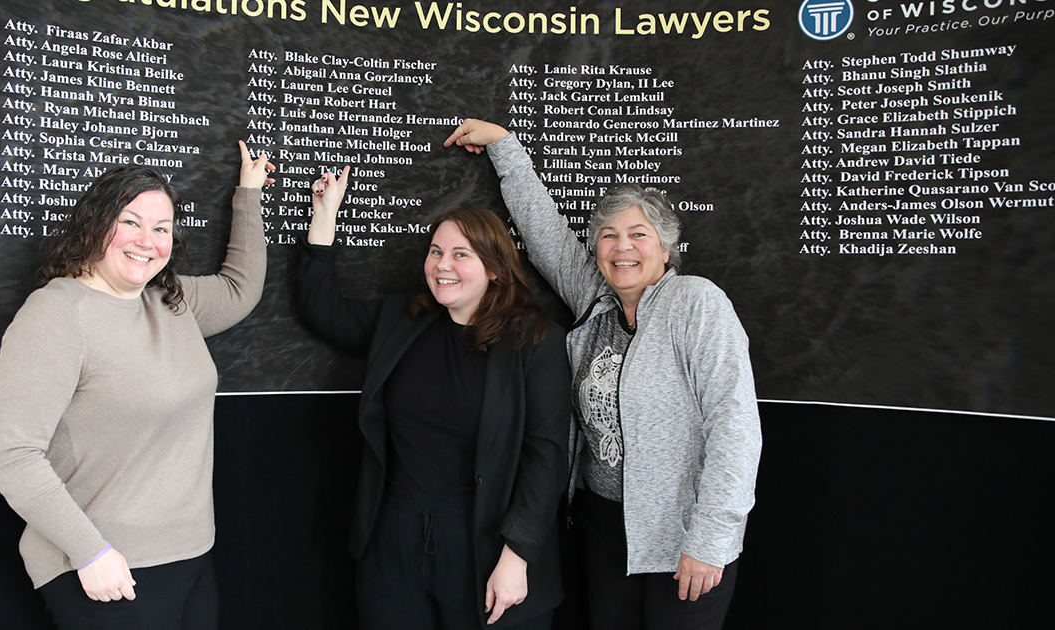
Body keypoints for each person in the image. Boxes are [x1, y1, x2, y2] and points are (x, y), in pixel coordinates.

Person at [445, 120, 762, 630]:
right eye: (608, 237)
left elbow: (735, 426)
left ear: (665, 248)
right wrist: (505, 148)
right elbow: (544, 231)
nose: (622, 247)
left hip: (681, 536)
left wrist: (710, 539)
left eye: (639, 234)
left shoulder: (695, 302)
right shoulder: (597, 300)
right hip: (603, 527)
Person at [0, 142, 273, 629]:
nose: (147, 240)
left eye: (161, 228)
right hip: (104, 568)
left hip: (191, 554)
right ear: (96, 224)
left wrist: (248, 195)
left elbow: (240, 288)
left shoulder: (169, 300)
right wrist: (89, 552)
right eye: (131, 222)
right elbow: (10, 453)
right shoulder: (56, 316)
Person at [296, 166, 571, 629]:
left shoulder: (536, 341)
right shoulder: (404, 319)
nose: (442, 265)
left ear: (495, 269)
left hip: (489, 538)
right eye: (436, 251)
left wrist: (517, 554)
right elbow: (323, 310)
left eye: (460, 254)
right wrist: (323, 220)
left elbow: (545, 455)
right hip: (393, 533)